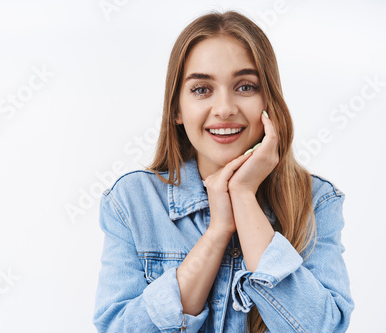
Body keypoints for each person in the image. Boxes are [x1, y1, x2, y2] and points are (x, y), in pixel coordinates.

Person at [92, 10, 354, 333]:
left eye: (245, 87)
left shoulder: (317, 202)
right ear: (176, 108)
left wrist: (243, 196)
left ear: (268, 101)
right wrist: (217, 233)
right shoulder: (132, 202)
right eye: (202, 89)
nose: (225, 108)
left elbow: (322, 328)